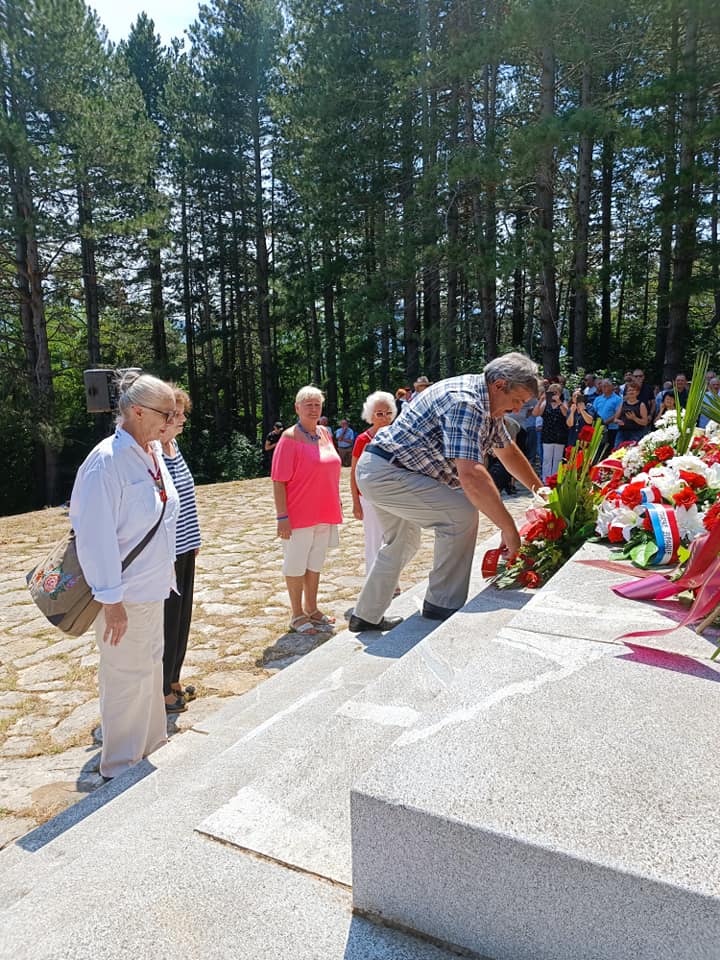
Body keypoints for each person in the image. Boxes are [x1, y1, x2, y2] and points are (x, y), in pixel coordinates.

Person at [349, 352, 542, 632]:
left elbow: (507, 452)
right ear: (500, 385)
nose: (517, 409)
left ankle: (365, 615)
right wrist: (508, 528)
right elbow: (471, 475)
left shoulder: (488, 404)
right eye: (517, 401)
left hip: (388, 468)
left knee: (402, 542)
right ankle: (442, 605)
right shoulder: (466, 402)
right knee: (459, 514)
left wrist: (542, 493)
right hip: (388, 473)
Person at [69, 371, 180, 780]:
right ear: (136, 411)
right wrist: (111, 601)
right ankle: (119, 768)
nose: (171, 421)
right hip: (124, 595)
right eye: (165, 413)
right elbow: (94, 537)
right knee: (124, 679)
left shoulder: (152, 452)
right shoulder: (106, 462)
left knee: (149, 672)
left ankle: (150, 748)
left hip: (152, 588)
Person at [272, 386, 342, 635]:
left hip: (325, 510)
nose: (313, 409)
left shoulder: (324, 433)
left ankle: (311, 608)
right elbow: (278, 480)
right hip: (298, 514)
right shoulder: (289, 438)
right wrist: (282, 516)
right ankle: (297, 614)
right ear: (297, 408)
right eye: (308, 404)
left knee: (315, 562)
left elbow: (329, 468)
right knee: (296, 563)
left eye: (317, 404)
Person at [161, 385, 201, 714]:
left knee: (182, 616)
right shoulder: (152, 452)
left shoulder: (174, 446)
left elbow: (187, 497)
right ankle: (162, 689)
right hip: (165, 552)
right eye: (176, 414)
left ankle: (174, 678)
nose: (182, 419)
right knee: (167, 619)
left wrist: (195, 538)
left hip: (186, 546)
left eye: (182, 413)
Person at [350, 391, 397, 575]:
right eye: (379, 413)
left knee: (393, 539)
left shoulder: (396, 435)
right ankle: (372, 579)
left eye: (388, 413)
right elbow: (354, 472)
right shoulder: (362, 440)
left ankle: (391, 580)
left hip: (392, 496)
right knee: (373, 540)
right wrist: (356, 502)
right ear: (370, 415)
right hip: (369, 498)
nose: (385, 417)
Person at [533, 383, 568, 482]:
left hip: (560, 434)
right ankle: (546, 480)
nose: (554, 394)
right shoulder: (545, 403)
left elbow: (566, 413)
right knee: (547, 459)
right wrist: (540, 400)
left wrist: (559, 402)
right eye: (552, 392)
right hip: (547, 434)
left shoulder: (563, 403)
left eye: (556, 392)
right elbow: (535, 413)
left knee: (557, 459)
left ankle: (555, 480)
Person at [591, 378, 623, 452]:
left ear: (611, 387)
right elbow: (593, 412)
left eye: (606, 386)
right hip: (598, 428)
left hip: (612, 429)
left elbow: (618, 414)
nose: (604, 388)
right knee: (598, 450)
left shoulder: (618, 399)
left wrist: (605, 422)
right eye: (602, 386)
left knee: (609, 449)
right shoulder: (598, 399)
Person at [614, 379, 649, 445]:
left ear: (637, 392)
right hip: (622, 433)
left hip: (636, 433)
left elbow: (645, 422)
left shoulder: (641, 405)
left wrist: (634, 418)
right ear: (626, 392)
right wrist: (618, 421)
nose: (631, 392)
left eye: (633, 390)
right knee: (617, 449)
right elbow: (615, 419)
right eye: (629, 390)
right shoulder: (622, 404)